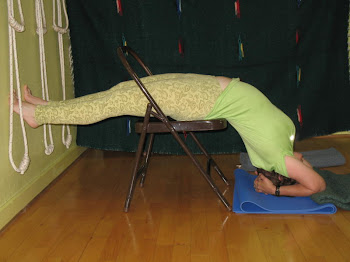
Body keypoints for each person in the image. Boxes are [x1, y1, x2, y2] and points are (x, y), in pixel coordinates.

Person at [11, 73, 326, 197]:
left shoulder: (278, 159)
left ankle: (37, 116)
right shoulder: (287, 141)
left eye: (304, 168)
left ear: (282, 174)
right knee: (120, 91)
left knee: (116, 101)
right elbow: (307, 170)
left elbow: (316, 185)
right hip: (205, 89)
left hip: (199, 100)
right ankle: (50, 107)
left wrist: (275, 190)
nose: (308, 164)